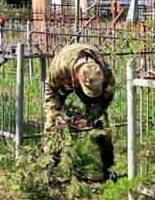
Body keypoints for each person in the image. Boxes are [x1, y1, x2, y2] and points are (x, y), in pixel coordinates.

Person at [44, 43, 116, 180]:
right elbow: (50, 88)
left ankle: (109, 168)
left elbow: (106, 98)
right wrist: (56, 113)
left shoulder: (105, 73)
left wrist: (90, 116)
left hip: (83, 81)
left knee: (102, 123)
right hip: (63, 83)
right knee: (52, 124)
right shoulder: (61, 67)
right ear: (77, 75)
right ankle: (48, 170)